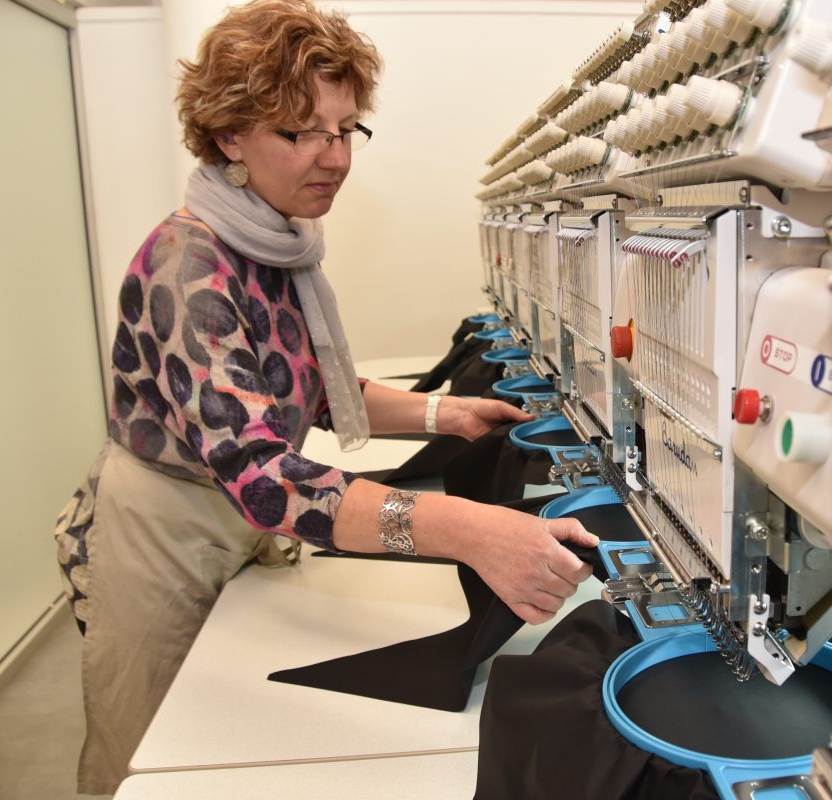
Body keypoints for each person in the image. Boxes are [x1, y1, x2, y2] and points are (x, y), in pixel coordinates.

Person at [53, 0, 597, 793]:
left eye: (345, 130)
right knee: (150, 760)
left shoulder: (278, 243)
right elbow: (265, 475)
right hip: (162, 537)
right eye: (300, 132)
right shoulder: (189, 267)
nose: (334, 156)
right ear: (228, 136)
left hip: (233, 517)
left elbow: (301, 394)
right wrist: (468, 529)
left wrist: (448, 414)